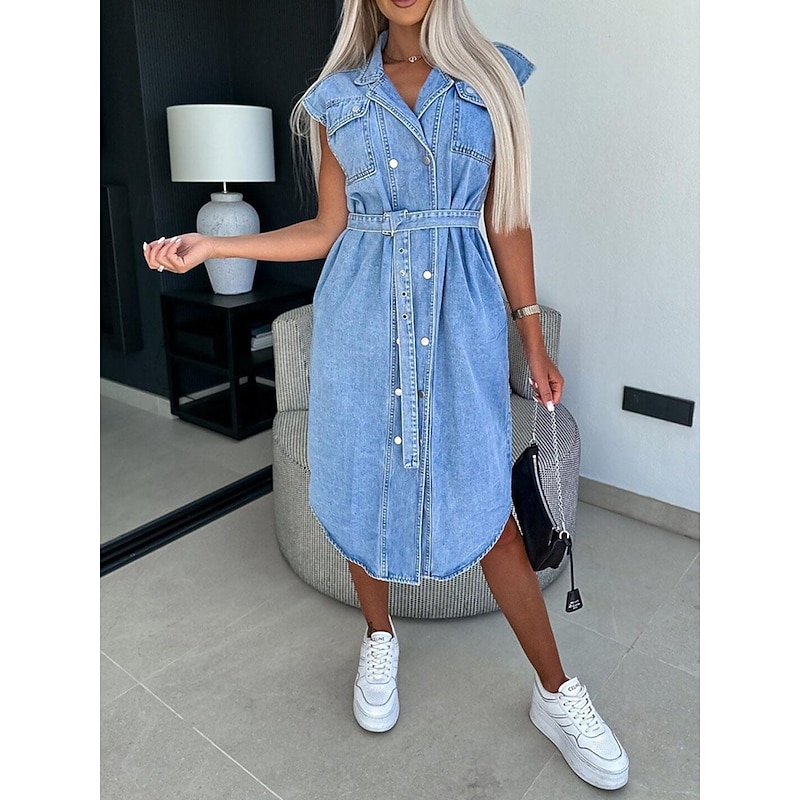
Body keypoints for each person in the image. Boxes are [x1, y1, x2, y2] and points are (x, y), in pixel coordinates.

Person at [144, 0, 628, 790]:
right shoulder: (338, 97)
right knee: (359, 478)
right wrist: (214, 244)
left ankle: (555, 692)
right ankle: (380, 637)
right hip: (361, 322)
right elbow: (325, 228)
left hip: (459, 325)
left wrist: (531, 340)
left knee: (488, 505)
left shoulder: (491, 80)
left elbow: (507, 221)